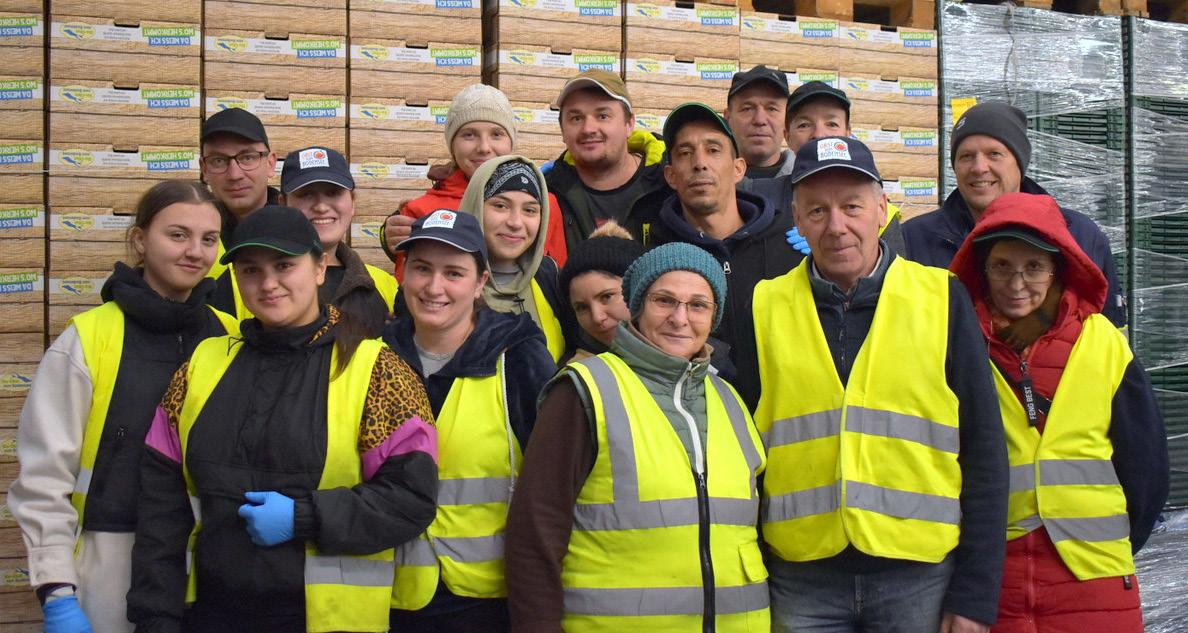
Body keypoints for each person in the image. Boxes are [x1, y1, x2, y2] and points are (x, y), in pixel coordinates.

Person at [128, 206, 438, 633]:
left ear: (319, 268)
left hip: (326, 620)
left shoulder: (376, 371)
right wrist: (156, 616)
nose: (268, 283)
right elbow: (162, 508)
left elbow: (410, 499)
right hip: (213, 614)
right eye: (251, 270)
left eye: (284, 266)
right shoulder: (202, 366)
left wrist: (305, 517)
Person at [748, 136, 1008, 633]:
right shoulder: (764, 306)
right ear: (797, 220)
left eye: (852, 207)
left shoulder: (942, 298)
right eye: (817, 211)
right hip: (801, 577)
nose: (836, 226)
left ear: (882, 209)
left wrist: (976, 594)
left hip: (919, 576)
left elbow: (985, 450)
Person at [9, 180, 237, 633]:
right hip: (109, 563)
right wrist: (56, 590)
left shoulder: (230, 335)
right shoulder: (88, 339)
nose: (195, 251)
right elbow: (43, 478)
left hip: (215, 560)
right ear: (139, 240)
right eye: (178, 235)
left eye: (209, 239)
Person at [507, 242, 770, 632]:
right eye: (664, 301)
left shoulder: (729, 399)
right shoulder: (584, 390)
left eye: (698, 305)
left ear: (713, 317)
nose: (680, 318)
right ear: (636, 307)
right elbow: (535, 532)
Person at [948, 192, 1169, 633]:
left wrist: (1111, 544)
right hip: (993, 583)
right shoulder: (955, 342)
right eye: (1001, 266)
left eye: (1033, 267)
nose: (1016, 283)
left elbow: (1146, 468)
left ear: (1057, 270)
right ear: (981, 269)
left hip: (1095, 580)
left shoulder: (1103, 342)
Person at [384, 209, 556, 632]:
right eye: (422, 269)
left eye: (454, 273)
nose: (434, 287)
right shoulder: (376, 356)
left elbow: (552, 488)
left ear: (481, 283)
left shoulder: (518, 358)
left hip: (487, 600)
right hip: (393, 594)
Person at [903, 101, 1126, 327]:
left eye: (994, 154)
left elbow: (1110, 333)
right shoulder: (912, 240)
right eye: (966, 156)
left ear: (1020, 163)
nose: (979, 167)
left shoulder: (1080, 235)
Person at [648, 102, 802, 389]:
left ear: (738, 168)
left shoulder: (790, 245)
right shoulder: (657, 258)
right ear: (670, 175)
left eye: (713, 150)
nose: (700, 163)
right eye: (685, 153)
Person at [378, 84, 568, 274]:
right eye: (469, 135)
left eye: (497, 134)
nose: (484, 147)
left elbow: (558, 275)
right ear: (453, 145)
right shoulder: (421, 211)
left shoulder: (544, 204)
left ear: (511, 143)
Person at [742, 81, 906, 255]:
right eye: (804, 125)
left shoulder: (877, 207)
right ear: (787, 136)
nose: (819, 135)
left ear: (847, 133)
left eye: (832, 124)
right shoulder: (758, 198)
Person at [457, 155, 567, 362]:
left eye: (530, 210)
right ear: (476, 207)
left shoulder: (550, 277)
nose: (516, 222)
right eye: (501, 206)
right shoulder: (444, 282)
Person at [545, 69, 671, 248]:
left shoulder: (670, 185)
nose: (588, 128)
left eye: (602, 116)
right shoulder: (546, 195)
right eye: (576, 118)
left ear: (629, 124)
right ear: (562, 131)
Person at [280, 145, 397, 336]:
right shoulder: (251, 283)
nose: (321, 207)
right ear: (282, 204)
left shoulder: (384, 285)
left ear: (352, 202)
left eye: (333, 192)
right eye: (306, 194)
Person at [201, 107, 281, 314]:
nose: (234, 174)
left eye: (247, 158)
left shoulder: (302, 234)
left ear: (271, 163)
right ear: (204, 169)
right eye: (218, 161)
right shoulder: (187, 244)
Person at [556, 220, 645, 362]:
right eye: (581, 308)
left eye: (607, 297)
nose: (597, 317)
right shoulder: (579, 372)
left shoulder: (681, 348)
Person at [723, 65, 791, 179]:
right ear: (727, 118)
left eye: (772, 109)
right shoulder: (706, 180)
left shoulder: (812, 181)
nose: (760, 120)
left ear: (788, 119)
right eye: (747, 109)